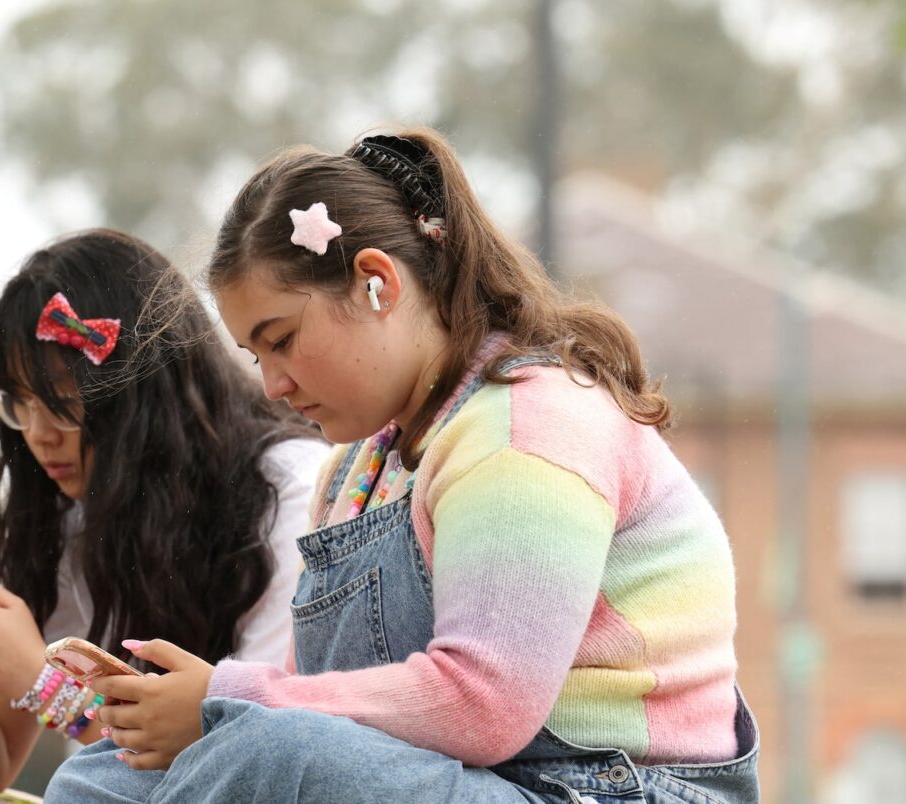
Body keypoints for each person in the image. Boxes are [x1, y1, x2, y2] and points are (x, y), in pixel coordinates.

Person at [48, 129, 760, 803]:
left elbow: (485, 705)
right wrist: (183, 715)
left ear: (376, 282)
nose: (273, 386)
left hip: (604, 787)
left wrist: (227, 701)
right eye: (255, 357)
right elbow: (330, 703)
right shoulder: (356, 472)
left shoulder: (525, 430)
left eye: (283, 339)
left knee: (269, 756)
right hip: (464, 778)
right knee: (106, 776)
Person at [0, 229, 328, 802]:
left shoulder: (292, 491)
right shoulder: (69, 519)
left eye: (60, 396)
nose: (37, 433)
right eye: (19, 402)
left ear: (141, 388)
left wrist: (41, 682)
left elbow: (253, 753)